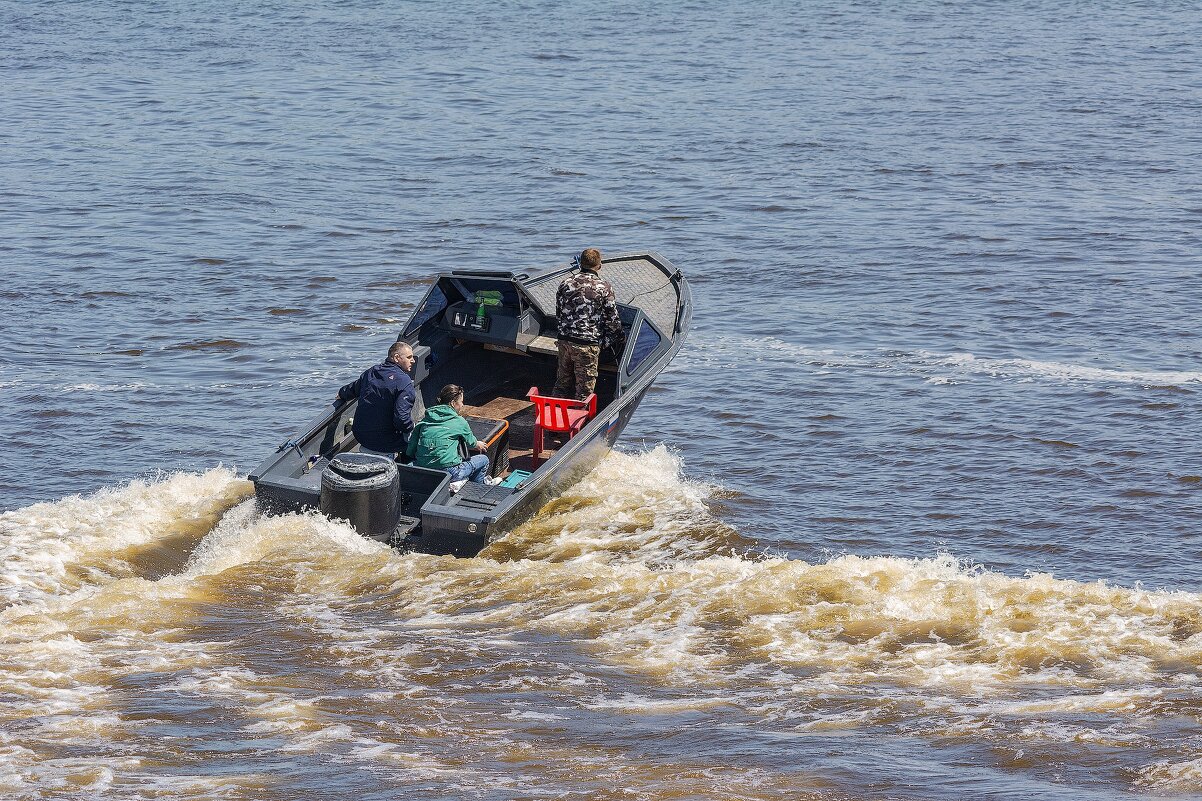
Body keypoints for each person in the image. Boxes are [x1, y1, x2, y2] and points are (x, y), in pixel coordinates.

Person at [554, 247, 626, 400]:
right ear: (599, 265)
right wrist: (617, 338)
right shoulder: (603, 286)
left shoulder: (565, 283)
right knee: (584, 392)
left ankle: (554, 412)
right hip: (587, 344)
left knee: (562, 384)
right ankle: (581, 421)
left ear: (581, 263)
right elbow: (612, 320)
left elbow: (559, 313)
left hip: (564, 340)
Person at [406, 384, 502, 488]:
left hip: (424, 471)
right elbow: (472, 443)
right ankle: (477, 487)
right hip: (450, 472)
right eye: (461, 402)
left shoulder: (424, 422)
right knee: (483, 460)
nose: (462, 405)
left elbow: (411, 449)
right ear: (453, 403)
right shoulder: (460, 422)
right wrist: (478, 444)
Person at [336, 341, 416, 458]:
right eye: (409, 357)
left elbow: (353, 389)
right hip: (385, 441)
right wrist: (412, 428)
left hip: (361, 435)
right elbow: (402, 419)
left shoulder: (372, 372)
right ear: (396, 358)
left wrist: (341, 393)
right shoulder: (404, 382)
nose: (413, 360)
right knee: (419, 438)